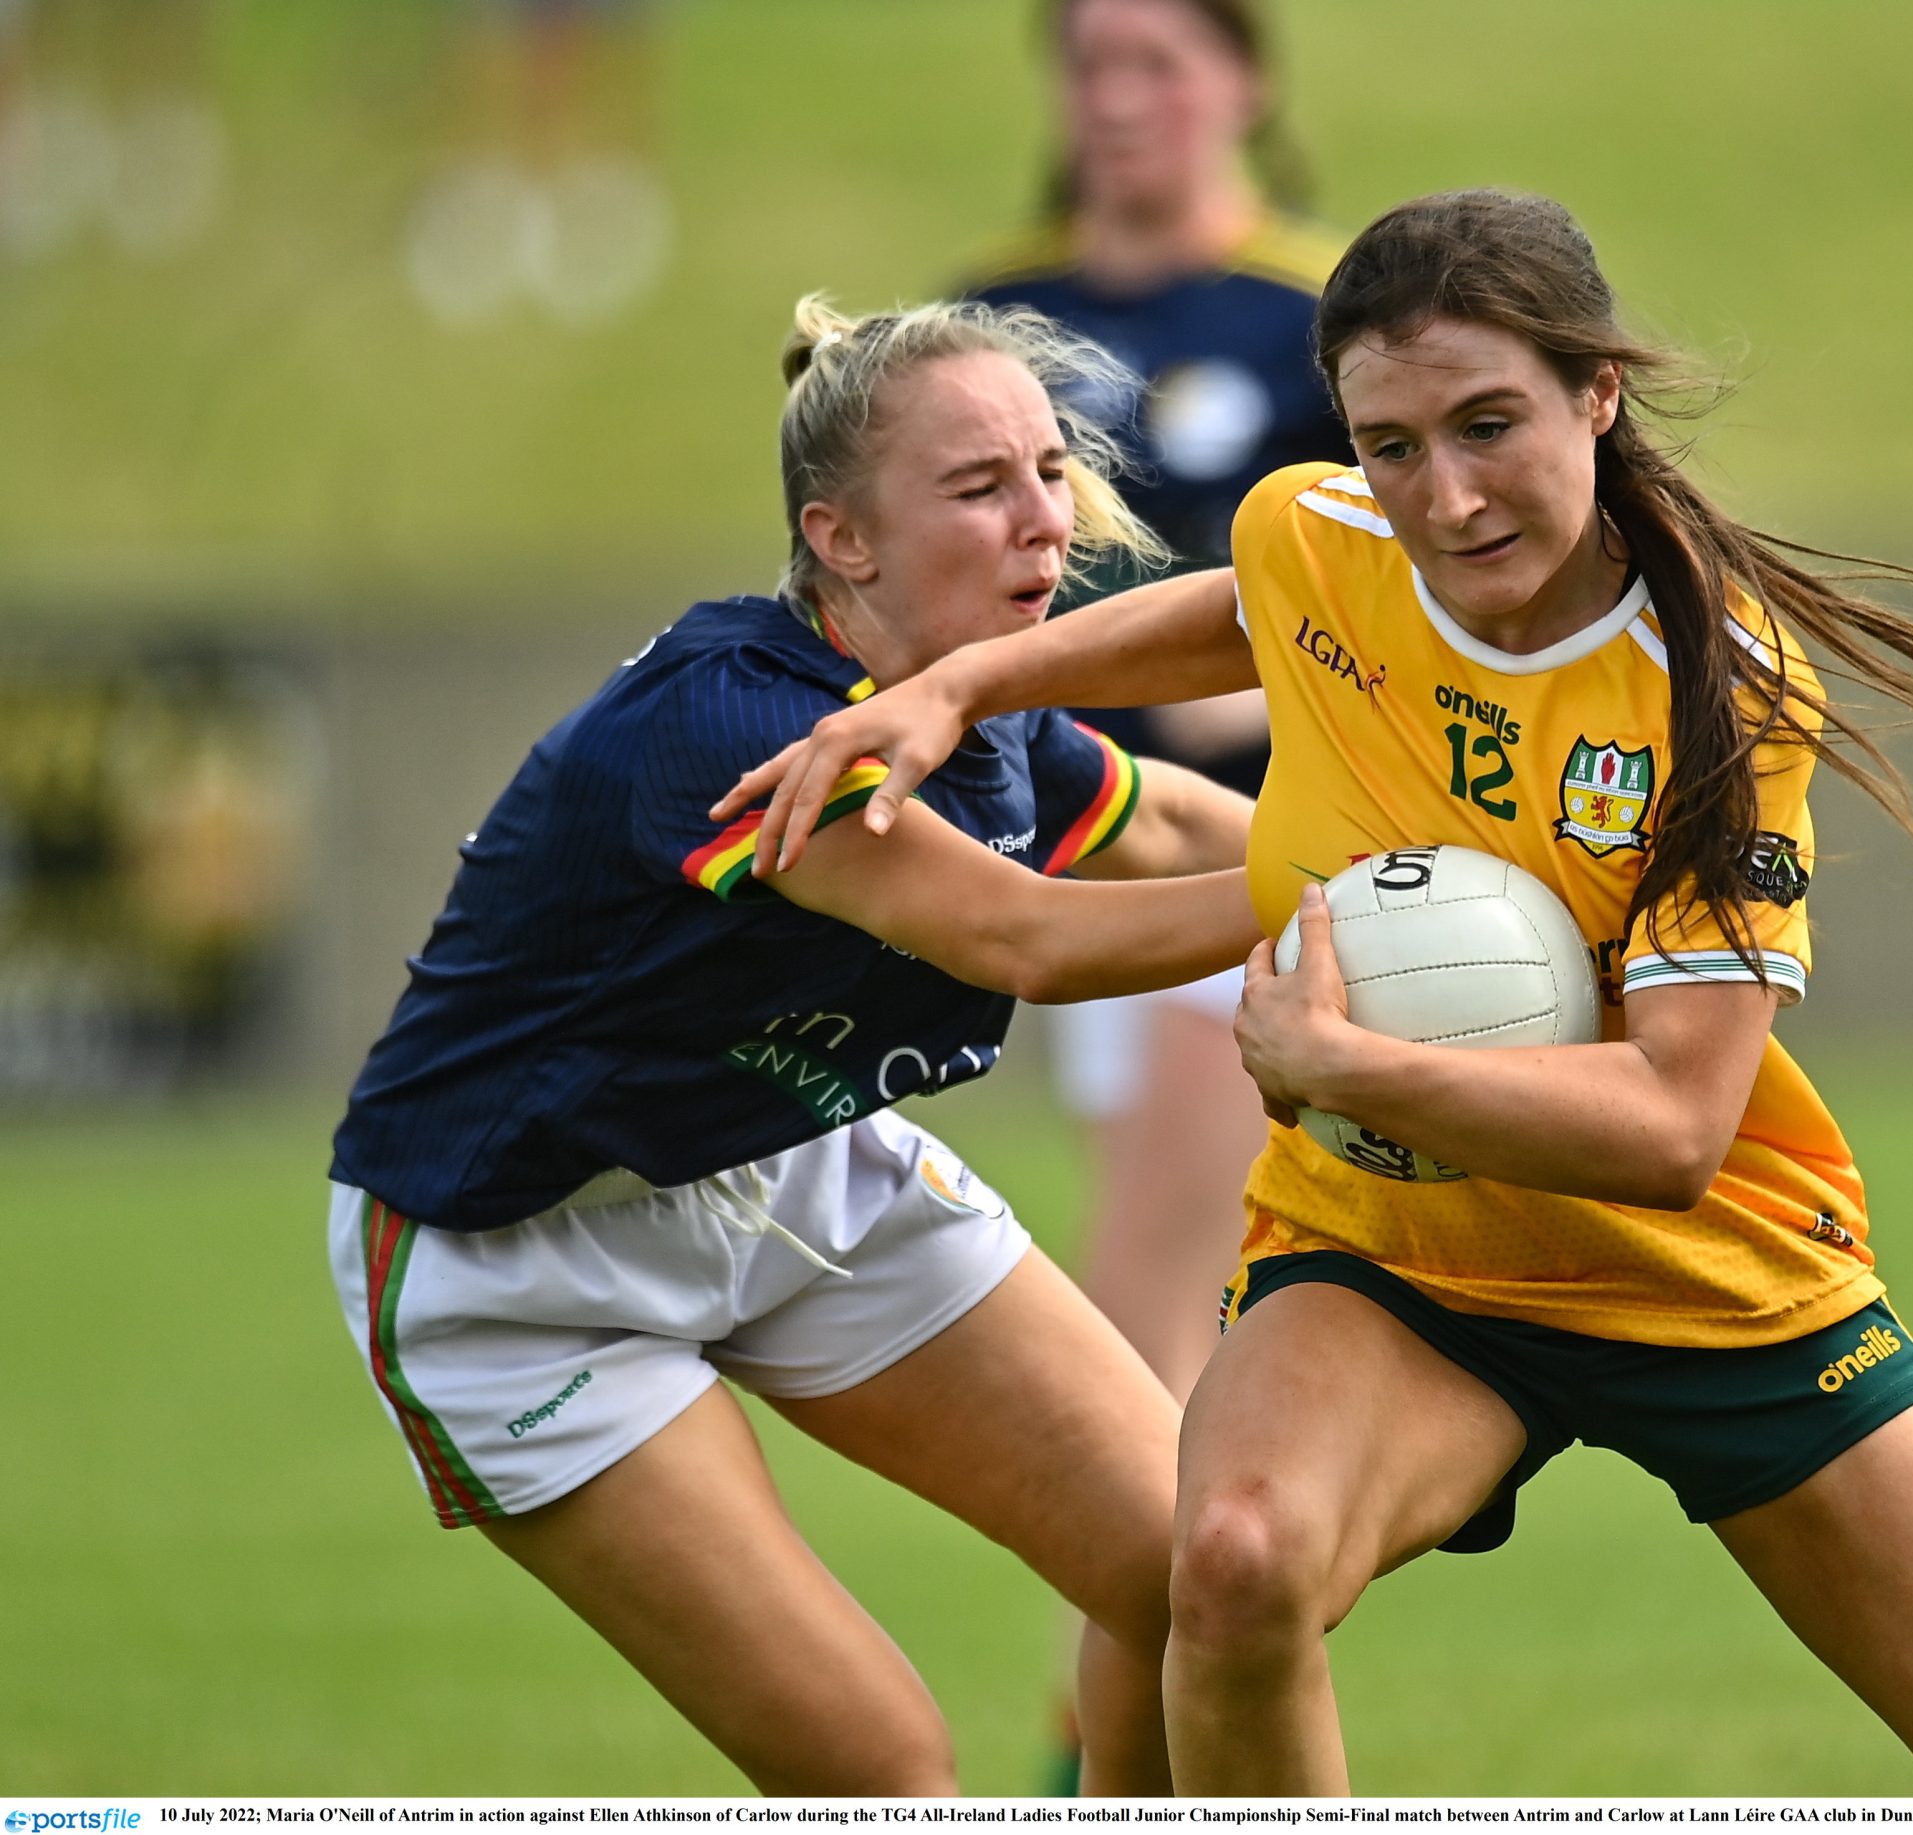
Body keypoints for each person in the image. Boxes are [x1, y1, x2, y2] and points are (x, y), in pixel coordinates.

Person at [719, 190, 1913, 1799]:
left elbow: (1679, 1124)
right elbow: (1247, 608)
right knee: (1236, 1561)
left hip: (1705, 1273)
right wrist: (956, 684)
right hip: (1391, 1252)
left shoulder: (1716, 691)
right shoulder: (1323, 537)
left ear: (1596, 394)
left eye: (1490, 426)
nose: (1447, 497)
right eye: (1390, 445)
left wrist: (1344, 1062)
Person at [326, 296, 1262, 1795]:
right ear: (842, 541)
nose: (1046, 522)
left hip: (798, 1166)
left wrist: (1410, 844)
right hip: (527, 1273)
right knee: (885, 1773)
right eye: (981, 487)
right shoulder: (726, 728)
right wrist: (1360, 893)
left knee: (1186, 1573)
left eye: (1046, 470)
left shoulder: (979, 696)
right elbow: (1028, 938)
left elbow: (1159, 821)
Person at [960, 0, 1344, 1410]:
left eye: (1158, 62)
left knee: (1140, 1305)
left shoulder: (1319, 314)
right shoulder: (992, 320)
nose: (1120, 97)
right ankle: (1227, 1605)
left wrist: (1258, 691)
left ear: (1244, 80)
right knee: (1181, 1317)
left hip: (1248, 850)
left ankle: (1174, 1601)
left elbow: (1419, 574)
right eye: (1088, 62)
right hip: (1060, 850)